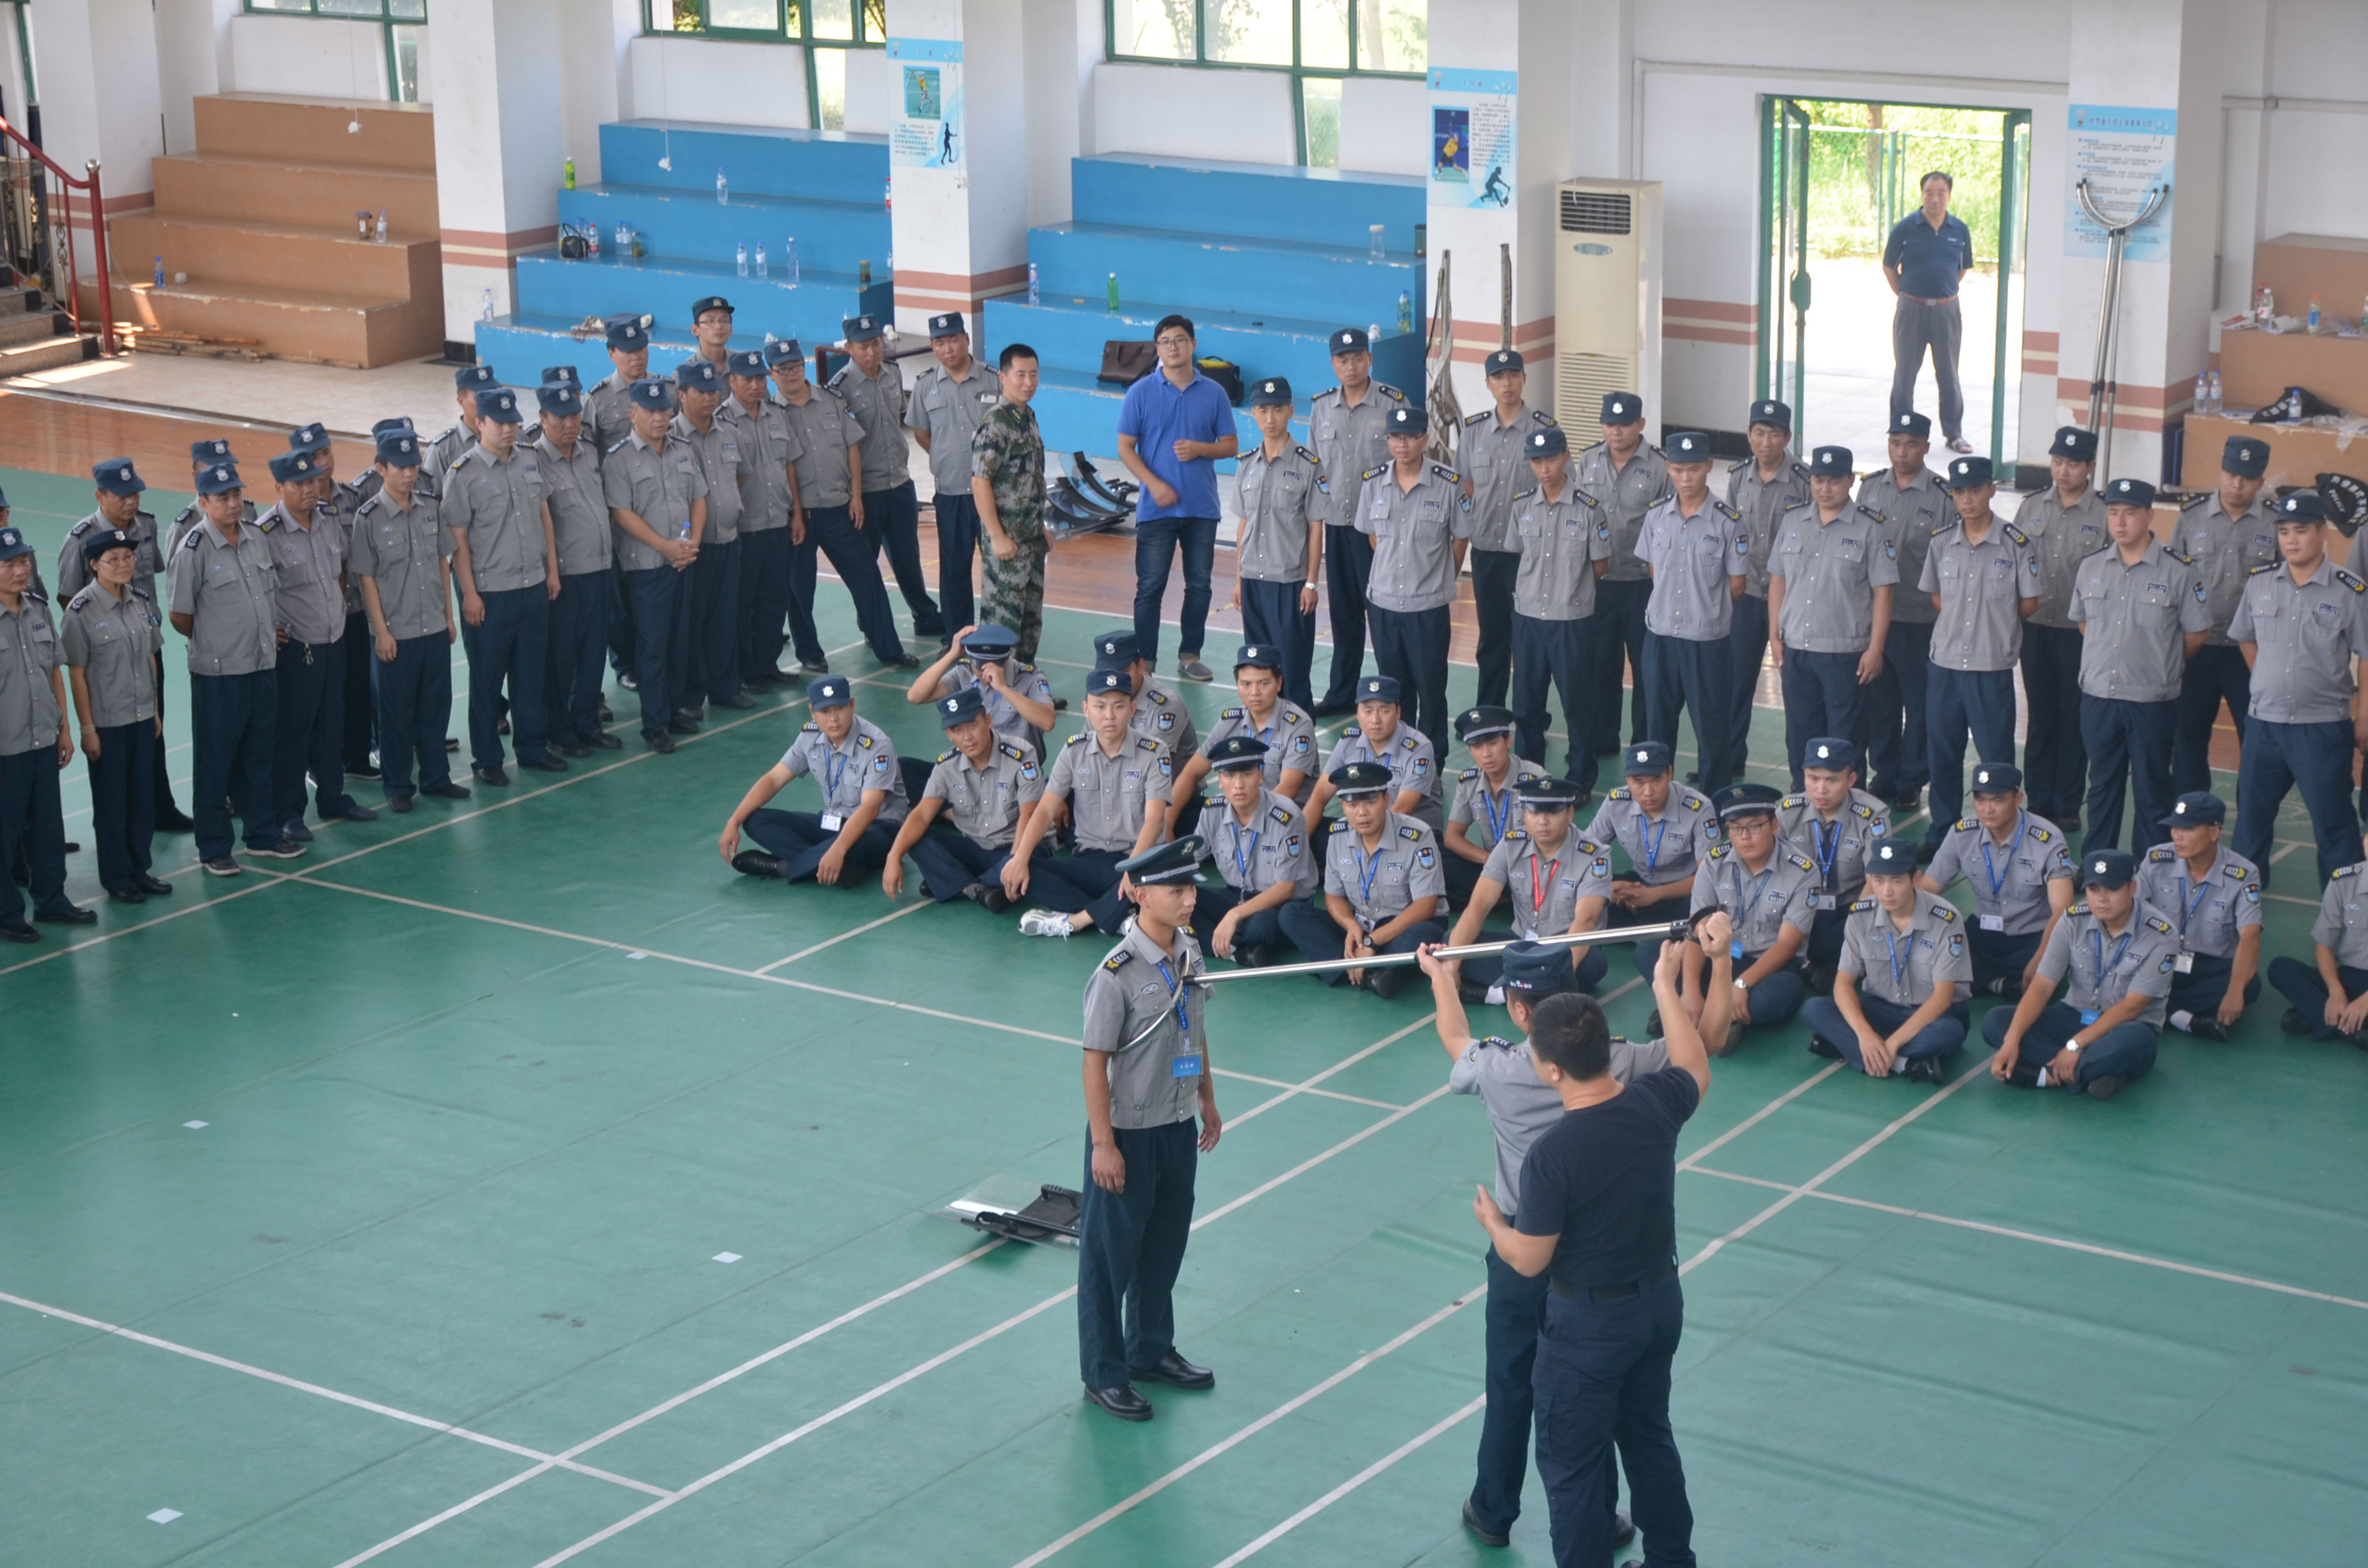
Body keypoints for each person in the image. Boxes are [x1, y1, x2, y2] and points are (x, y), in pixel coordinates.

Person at [1472, 929, 1718, 1568]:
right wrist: (1664, 984)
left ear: (1553, 1069)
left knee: (1573, 1467)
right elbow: (1695, 1064)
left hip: (1589, 1326)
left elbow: (1530, 1259)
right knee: (1649, 1441)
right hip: (1658, 1305)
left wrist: (1495, 1224)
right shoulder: (1655, 1102)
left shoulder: (1554, 1155)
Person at [1422, 936, 1672, 1555]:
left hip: (1520, 1248)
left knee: (1511, 1381)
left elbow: (1455, 1038)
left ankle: (1493, 1508)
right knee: (1596, 1393)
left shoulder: (1500, 1068)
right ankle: (1604, 1516)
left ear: (1517, 1010)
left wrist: (1441, 978)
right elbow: (1692, 1051)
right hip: (1591, 1259)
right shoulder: (1616, 1059)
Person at [1074, 835, 1222, 1423]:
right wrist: (1104, 1144)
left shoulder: (1189, 952)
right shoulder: (1115, 974)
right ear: (1140, 895)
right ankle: (1104, 1373)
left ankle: (1150, 1349)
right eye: (1177, 891)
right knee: (1108, 1261)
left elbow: (1196, 1027)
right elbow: (1094, 1062)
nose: (1190, 900)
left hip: (1177, 1124)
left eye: (1191, 889)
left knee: (1163, 1247)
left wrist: (1208, 1098)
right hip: (1129, 1134)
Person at [2229, 489, 2368, 888]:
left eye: (2301, 531)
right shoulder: (2260, 583)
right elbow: (2245, 637)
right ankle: (2239, 907)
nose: (2291, 540)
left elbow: (2366, 654)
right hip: (2264, 727)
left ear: (2323, 533)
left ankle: (2349, 911)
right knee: (2250, 825)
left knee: (2335, 828)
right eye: (2285, 531)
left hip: (2321, 729)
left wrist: (2363, 717)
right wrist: (2266, 678)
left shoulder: (2349, 591)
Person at [171, 461, 302, 874]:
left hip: (261, 666)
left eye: (237, 495)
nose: (233, 503)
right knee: (215, 763)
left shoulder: (255, 537)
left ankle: (262, 835)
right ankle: (214, 848)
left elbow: (266, 595)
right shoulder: (193, 549)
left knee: (258, 757)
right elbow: (180, 615)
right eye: (223, 497)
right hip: (220, 674)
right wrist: (219, 639)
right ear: (203, 502)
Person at [2071, 477, 2209, 851]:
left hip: (2151, 700)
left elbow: (2197, 633)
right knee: (2102, 785)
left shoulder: (2179, 571)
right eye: (2113, 512)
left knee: (2153, 788)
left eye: (2130, 513)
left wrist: (2160, 661)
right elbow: (2085, 622)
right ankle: (2099, 862)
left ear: (2150, 515)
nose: (2120, 522)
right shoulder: (2091, 567)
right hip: (2099, 696)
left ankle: (2150, 866)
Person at [55, 458, 190, 833]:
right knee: (112, 744)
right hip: (106, 652)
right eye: (121, 495)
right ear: (100, 496)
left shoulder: (146, 525)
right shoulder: (80, 539)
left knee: (152, 731)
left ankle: (160, 808)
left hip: (145, 643)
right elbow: (68, 598)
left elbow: (150, 580)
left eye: (135, 493)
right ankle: (120, 825)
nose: (131, 501)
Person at [1983, 848, 2178, 1101]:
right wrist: (2012, 1040)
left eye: (2112, 889)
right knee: (1996, 1022)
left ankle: (2046, 1077)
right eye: (2093, 889)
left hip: (2124, 1027)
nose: (2101, 899)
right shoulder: (2072, 920)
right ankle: (2092, 1072)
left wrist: (2076, 1045)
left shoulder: (2161, 934)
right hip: (2075, 1016)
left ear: (2132, 888)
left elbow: (2132, 1007)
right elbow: (2043, 985)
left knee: (2133, 1043)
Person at [445, 387, 566, 787]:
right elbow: (458, 539)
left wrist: (551, 571)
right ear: (480, 424)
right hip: (491, 594)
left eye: (513, 421)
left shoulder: (529, 459)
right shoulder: (462, 474)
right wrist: (469, 594)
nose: (509, 429)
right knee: (486, 681)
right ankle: (487, 760)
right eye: (500, 423)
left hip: (532, 585)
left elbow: (544, 514)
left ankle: (531, 747)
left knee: (530, 675)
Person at [1919, 455, 2039, 855]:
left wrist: (1995, 628)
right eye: (1959, 492)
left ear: (1992, 490)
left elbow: (2028, 603)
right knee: (1943, 754)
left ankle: (2003, 836)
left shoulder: (2015, 544)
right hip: (1945, 666)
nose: (1967, 499)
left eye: (1975, 490)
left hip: (1990, 667)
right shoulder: (1941, 542)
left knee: (1996, 760)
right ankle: (1943, 834)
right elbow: (1938, 598)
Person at [774, 339, 917, 671]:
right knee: (800, 591)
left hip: (840, 508)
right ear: (773, 374)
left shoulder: (832, 399)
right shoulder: (772, 414)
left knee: (868, 579)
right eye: (783, 369)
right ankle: (810, 653)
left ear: (805, 367)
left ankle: (888, 647)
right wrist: (796, 513)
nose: (792, 373)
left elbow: (853, 446)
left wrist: (856, 496)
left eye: (796, 366)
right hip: (800, 517)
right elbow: (784, 465)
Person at [1004, 667, 1173, 938]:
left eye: (1119, 706)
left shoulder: (1155, 753)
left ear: (1132, 709)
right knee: (1024, 868)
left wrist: (1132, 869)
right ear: (1086, 709)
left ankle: (1076, 920)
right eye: (1100, 706)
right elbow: (1045, 809)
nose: (1109, 715)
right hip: (1088, 859)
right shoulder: (1074, 750)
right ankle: (1117, 917)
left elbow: (1155, 819)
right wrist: (1020, 857)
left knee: (1154, 884)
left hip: (1135, 859)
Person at [257, 450, 375, 838]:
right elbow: (258, 590)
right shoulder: (266, 533)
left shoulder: (328, 518)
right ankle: (288, 812)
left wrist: (333, 609)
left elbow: (339, 569)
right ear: (279, 487)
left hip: (332, 638)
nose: (309, 490)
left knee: (332, 723)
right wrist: (271, 626)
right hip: (297, 646)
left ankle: (333, 797)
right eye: (299, 484)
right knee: (294, 731)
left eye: (312, 482)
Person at [349, 429, 466, 813]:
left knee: (435, 708)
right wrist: (381, 632)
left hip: (433, 626)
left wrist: (448, 616)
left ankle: (436, 778)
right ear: (381, 469)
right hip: (396, 633)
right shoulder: (368, 518)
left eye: (413, 465)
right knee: (396, 714)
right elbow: (366, 578)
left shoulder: (430, 507)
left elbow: (442, 562)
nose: (409, 473)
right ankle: (398, 785)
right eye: (400, 467)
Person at [1117, 314, 1237, 683]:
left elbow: (1230, 445)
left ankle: (1190, 655)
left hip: (1202, 507)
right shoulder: (1140, 393)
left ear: (1193, 344)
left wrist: (1201, 449)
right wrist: (1154, 485)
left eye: (1180, 340)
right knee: (1150, 588)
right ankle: (1146, 664)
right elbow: (1125, 447)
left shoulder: (1214, 393)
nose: (1173, 347)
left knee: (1199, 586)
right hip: (1157, 509)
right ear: (1157, 348)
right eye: (1166, 341)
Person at [1766, 446, 1894, 787]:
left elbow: (1884, 593)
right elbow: (1778, 580)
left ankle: (1850, 807)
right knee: (1800, 735)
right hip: (1796, 649)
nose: (1825, 488)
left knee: (1846, 739)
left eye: (1834, 481)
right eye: (1818, 480)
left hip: (1845, 654)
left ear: (1851, 481)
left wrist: (1875, 649)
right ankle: (1802, 801)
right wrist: (1774, 637)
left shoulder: (1870, 529)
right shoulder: (1793, 521)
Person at [1799, 838, 1969, 1082]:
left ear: (1915, 879)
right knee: (1815, 1009)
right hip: (1883, 1009)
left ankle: (1848, 1047)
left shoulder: (1946, 920)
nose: (1887, 891)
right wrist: (1865, 1035)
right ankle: (1902, 1064)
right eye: (1878, 881)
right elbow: (1843, 984)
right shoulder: (1860, 916)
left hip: (1933, 1016)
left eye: (1896, 881)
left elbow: (1942, 998)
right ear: (1870, 879)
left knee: (1947, 1035)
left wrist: (1893, 1043)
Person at [1275, 758, 1449, 998]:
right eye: (1353, 804)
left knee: (1423, 935)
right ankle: (1372, 974)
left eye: (1371, 802)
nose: (1362, 813)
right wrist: (1350, 925)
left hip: (1403, 925)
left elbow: (1426, 906)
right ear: (1342, 806)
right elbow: (1333, 896)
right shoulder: (1338, 835)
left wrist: (1372, 942)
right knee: (1291, 914)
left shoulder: (1417, 835)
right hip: (1361, 926)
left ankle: (1341, 965)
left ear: (1386, 800)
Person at [61, 529, 169, 904]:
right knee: (113, 806)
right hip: (108, 724)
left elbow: (151, 656)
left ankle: (140, 870)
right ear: (95, 565)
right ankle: (118, 877)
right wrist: (87, 729)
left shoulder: (139, 601)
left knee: (142, 801)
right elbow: (77, 674)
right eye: (114, 559)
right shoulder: (80, 612)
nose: (124, 565)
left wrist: (154, 710)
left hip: (141, 717)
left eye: (128, 557)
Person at [1661, 782, 1814, 1047]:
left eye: (1754, 826)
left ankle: (1693, 1013)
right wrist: (1691, 990)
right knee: (1653, 954)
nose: (1744, 836)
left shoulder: (1803, 871)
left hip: (1766, 965)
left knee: (1783, 994)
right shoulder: (1714, 863)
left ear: (1774, 825)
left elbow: (1787, 946)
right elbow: (1697, 930)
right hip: (1718, 955)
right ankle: (1710, 1010)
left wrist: (1742, 984)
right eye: (1735, 828)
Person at [1634, 430, 1746, 793]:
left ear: (1709, 467)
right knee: (1658, 727)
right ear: (1669, 468)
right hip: (1661, 638)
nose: (1686, 478)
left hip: (1706, 642)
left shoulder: (1728, 522)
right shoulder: (1656, 517)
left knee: (1711, 729)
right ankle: (1657, 796)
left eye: (1694, 469)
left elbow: (1737, 584)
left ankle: (1715, 803)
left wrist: (1706, 612)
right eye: (1679, 470)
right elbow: (1655, 571)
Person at [719, 675, 909, 886]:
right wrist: (733, 822)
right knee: (755, 820)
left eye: (839, 708)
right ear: (812, 711)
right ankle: (830, 865)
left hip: (878, 829)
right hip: (834, 822)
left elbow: (870, 808)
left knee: (856, 843)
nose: (833, 719)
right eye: (825, 711)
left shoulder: (876, 745)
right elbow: (774, 780)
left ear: (852, 705)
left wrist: (838, 849)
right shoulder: (810, 737)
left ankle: (783, 867)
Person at [1359, 404, 1470, 757]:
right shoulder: (1373, 482)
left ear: (1425, 439)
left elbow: (1460, 539)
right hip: (1384, 604)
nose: (1402, 445)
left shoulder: (1448, 484)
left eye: (1410, 437)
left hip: (1428, 607)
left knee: (1431, 689)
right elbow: (1373, 537)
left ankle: (1432, 763)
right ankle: (1399, 759)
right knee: (1393, 691)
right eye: (1395, 437)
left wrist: (1440, 579)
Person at [604, 377, 707, 754]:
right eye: (651, 412)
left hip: (683, 561)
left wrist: (693, 543)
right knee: (652, 646)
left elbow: (698, 498)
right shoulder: (618, 460)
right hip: (646, 567)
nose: (660, 418)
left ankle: (675, 708)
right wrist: (665, 546)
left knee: (680, 640)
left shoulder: (683, 449)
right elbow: (621, 513)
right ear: (633, 414)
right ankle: (655, 724)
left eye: (664, 410)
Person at [0, 524, 93, 938]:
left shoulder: (37, 609)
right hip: (6, 747)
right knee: (4, 834)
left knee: (47, 827)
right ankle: (7, 914)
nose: (21, 570)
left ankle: (52, 901)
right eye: (9, 564)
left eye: (23, 561)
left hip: (42, 739)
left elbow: (54, 669)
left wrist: (65, 728)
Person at [2171, 436, 2276, 795]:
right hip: (2197, 647)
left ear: (2261, 481)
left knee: (2255, 735)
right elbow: (2173, 581)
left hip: (2250, 652)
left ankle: (2251, 813)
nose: (2237, 484)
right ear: (2221, 472)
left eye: (2247, 477)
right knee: (2188, 734)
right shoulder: (2191, 517)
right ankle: (2190, 811)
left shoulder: (2276, 523)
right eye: (2231, 474)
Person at [1508, 425, 1611, 794]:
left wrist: (1569, 592)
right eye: (1537, 461)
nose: (1544, 468)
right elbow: (1520, 553)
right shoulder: (1522, 506)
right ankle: (1528, 775)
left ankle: (1580, 780)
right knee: (1526, 704)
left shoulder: (1589, 509)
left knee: (1577, 704)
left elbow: (1600, 564)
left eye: (1551, 459)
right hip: (1529, 619)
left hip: (1571, 621)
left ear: (1566, 457)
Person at [1444, 775, 1615, 999]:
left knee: (1592, 964)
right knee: (1451, 942)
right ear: (1524, 814)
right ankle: (1531, 988)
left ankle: (1501, 993)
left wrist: (1562, 975)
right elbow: (1478, 907)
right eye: (1534, 813)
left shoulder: (1595, 855)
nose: (1543, 821)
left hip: (1565, 948)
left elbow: (1586, 921)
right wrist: (1451, 970)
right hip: (1521, 944)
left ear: (1570, 813)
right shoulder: (1511, 845)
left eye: (1553, 812)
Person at [1309, 327, 1407, 715]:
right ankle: (1341, 693)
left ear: (1370, 359)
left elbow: (1407, 464)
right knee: (1344, 614)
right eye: (1342, 359)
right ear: (1333, 364)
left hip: (1379, 530)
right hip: (1336, 524)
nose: (1350, 366)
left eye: (1357, 358)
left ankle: (1391, 692)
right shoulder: (1321, 407)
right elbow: (1315, 468)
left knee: (1383, 615)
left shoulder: (1393, 404)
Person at [831, 313, 944, 644]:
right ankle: (872, 625)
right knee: (866, 566)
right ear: (849, 348)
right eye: (863, 346)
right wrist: (852, 495)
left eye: (876, 343)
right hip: (866, 490)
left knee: (908, 558)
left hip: (899, 482)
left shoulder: (893, 373)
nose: (872, 352)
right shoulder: (839, 388)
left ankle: (925, 615)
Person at [880, 685, 1047, 910]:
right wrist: (893, 857)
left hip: (1016, 846)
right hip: (975, 847)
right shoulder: (946, 764)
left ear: (988, 721)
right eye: (957, 730)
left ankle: (953, 882)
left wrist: (1016, 860)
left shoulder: (1021, 754)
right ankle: (973, 889)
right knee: (917, 839)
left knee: (1033, 864)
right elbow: (921, 815)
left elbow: (1030, 813)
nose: (967, 737)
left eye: (973, 725)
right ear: (949, 735)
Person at [2013, 428, 2105, 827]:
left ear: (2090, 467)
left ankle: (2067, 804)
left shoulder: (2104, 514)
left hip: (2079, 632)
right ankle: (2038, 801)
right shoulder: (2032, 506)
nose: (2063, 471)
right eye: (2057, 462)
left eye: (2073, 464)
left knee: (2073, 718)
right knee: (2040, 717)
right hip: (2035, 628)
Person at [1859, 411, 1946, 812]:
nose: (1902, 452)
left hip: (1920, 619)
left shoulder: (1943, 497)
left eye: (1911, 444)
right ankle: (1885, 773)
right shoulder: (1870, 488)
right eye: (1895, 443)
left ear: (1926, 448)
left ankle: (1912, 779)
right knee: (1880, 704)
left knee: (1920, 705)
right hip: (1877, 619)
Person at [1576, 392, 1671, 758]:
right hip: (1599, 582)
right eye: (1610, 424)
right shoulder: (1588, 460)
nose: (1616, 431)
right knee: (1602, 664)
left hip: (1643, 584)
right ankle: (1603, 739)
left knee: (1647, 669)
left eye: (1625, 424)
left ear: (1640, 424)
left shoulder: (1660, 467)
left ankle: (1644, 745)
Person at [1461, 350, 1557, 708]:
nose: (1507, 383)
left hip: (1529, 555)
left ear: (1524, 379)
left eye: (1513, 375)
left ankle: (1531, 718)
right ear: (1488, 383)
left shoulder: (1545, 430)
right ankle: (1489, 714)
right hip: (1487, 550)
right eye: (1499, 377)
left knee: (1530, 641)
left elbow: (1557, 486)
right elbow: (1467, 483)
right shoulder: (1473, 431)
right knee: (1492, 639)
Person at [529, 382, 617, 756]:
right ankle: (560, 731)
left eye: (574, 416)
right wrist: (551, 571)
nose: (569, 424)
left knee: (593, 654)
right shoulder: (532, 460)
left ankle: (587, 723)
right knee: (562, 659)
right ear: (542, 419)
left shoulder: (589, 451)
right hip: (565, 577)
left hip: (600, 568)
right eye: (560, 417)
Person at [1724, 400, 1812, 772]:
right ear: (1748, 435)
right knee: (1735, 684)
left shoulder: (1806, 481)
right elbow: (1729, 533)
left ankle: (1803, 770)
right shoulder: (1737, 477)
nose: (1766, 442)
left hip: (1791, 600)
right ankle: (1729, 760)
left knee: (1796, 690)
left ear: (1787, 438)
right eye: (1759, 433)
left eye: (1774, 434)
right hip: (1745, 596)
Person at [905, 311, 1003, 640]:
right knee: (954, 572)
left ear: (967, 340)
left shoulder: (995, 380)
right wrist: (945, 456)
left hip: (993, 493)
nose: (948, 349)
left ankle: (997, 639)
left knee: (998, 570)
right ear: (933, 346)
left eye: (954, 340)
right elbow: (922, 433)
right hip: (950, 494)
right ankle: (956, 641)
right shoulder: (925, 385)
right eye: (940, 342)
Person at [1230, 377, 1326, 710]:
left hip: (1289, 582)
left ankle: (1300, 738)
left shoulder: (1308, 465)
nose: (1270, 418)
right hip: (1253, 581)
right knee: (1259, 671)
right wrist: (1239, 579)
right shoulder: (1247, 464)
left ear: (1290, 411)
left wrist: (1311, 583)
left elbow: (1316, 526)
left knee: (1292, 671)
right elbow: (1244, 523)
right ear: (1253, 414)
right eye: (1263, 410)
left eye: (1277, 410)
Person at [2135, 792, 2262, 1042]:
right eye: (2175, 828)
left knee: (2249, 985)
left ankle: (2144, 1007)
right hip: (2161, 958)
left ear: (2215, 832)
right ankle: (2181, 1017)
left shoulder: (2244, 873)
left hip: (2208, 966)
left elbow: (2250, 936)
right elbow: (2131, 913)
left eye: (2188, 829)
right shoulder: (2156, 860)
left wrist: (2234, 993)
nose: (2177, 836)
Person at [670, 358, 755, 721]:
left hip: (728, 540)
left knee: (725, 619)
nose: (709, 398)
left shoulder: (728, 431)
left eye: (713, 392)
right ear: (682, 395)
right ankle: (690, 695)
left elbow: (740, 475)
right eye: (700, 392)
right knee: (691, 624)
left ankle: (725, 689)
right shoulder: (671, 438)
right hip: (693, 549)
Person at [720, 347, 805, 688]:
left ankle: (768, 665)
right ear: (733, 381)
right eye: (748, 380)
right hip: (744, 527)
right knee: (744, 604)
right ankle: (745, 671)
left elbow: (789, 465)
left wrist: (796, 513)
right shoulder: (722, 421)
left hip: (777, 522)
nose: (756, 386)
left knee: (774, 599)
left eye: (760, 378)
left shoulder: (777, 415)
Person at [1187, 735, 1310, 965]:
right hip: (1235, 896)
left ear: (1260, 775)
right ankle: (1239, 953)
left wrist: (1234, 915)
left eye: (1246, 774)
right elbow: (1190, 859)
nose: (1238, 785)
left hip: (1277, 905)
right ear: (1219, 780)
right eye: (1229, 776)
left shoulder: (1286, 817)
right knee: (1182, 904)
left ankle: (1212, 940)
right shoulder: (1212, 811)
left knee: (1261, 927)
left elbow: (1285, 889)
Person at [1774, 737, 1890, 978]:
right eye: (1813, 778)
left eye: (1832, 780)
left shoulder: (1872, 816)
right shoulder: (1788, 812)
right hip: (1799, 905)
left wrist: (1854, 925)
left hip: (1849, 907)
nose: (1821, 789)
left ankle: (1814, 961)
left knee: (1880, 918)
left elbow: (1876, 879)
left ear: (1851, 780)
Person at [1882, 170, 1975, 454]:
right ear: (1922, 195)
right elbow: (1889, 266)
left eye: (1941, 193)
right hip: (1912, 309)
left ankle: (1954, 434)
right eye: (1929, 193)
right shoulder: (1905, 229)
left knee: (1949, 374)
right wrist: (1907, 295)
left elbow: (1962, 268)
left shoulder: (1959, 230)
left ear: (1949, 196)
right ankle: (1902, 432)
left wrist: (1943, 293)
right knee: (1905, 373)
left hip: (1947, 311)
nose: (1935, 199)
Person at [1171, 645, 1316, 825]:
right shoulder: (1230, 722)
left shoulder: (1298, 725)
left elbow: (1289, 787)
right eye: (1246, 684)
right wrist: (1167, 823)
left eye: (1263, 683)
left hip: (1283, 820)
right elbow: (1191, 772)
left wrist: (1246, 825)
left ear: (1279, 684)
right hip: (1238, 813)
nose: (1255, 692)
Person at [1587, 741, 1724, 929]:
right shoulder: (1616, 802)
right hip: (1637, 884)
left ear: (1670, 773)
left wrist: (1655, 895)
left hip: (1682, 890)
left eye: (1656, 781)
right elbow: (1584, 856)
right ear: (1628, 780)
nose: (1648, 792)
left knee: (1704, 910)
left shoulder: (1698, 809)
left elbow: (1708, 875)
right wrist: (1609, 888)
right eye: (1639, 783)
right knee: (1581, 898)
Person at [973, 343, 1052, 664]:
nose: (1028, 382)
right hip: (1007, 544)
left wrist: (1041, 528)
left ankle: (1025, 683)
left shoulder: (1027, 417)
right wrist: (996, 536)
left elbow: (1030, 481)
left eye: (1034, 374)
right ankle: (996, 688)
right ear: (1003, 377)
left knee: (1030, 622)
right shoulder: (996, 424)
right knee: (1001, 625)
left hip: (1031, 541)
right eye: (1021, 375)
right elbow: (980, 482)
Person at [1303, 674, 1440, 837]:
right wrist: (1298, 842)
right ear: (1358, 713)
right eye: (1367, 711)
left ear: (1398, 712)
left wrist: (1361, 845)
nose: (1375, 719)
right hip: (1363, 828)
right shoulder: (1349, 742)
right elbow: (1319, 797)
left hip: (1411, 835)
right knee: (1313, 832)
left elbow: (1403, 809)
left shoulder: (1418, 748)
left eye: (1384, 711)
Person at [1441, 704, 1550, 909]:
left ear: (1508, 741)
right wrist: (1489, 859)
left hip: (1528, 865)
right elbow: (1452, 837)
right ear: (1470, 750)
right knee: (1436, 852)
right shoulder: (1469, 781)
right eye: (1477, 747)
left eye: (1492, 744)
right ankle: (1504, 896)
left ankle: (1493, 896)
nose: (1486, 754)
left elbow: (1551, 840)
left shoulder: (1535, 780)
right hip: (1491, 865)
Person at [2269, 828, 2368, 1047]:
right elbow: (2324, 945)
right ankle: (2351, 1029)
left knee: (2296, 1016)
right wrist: (2335, 991)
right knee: (2281, 969)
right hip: (2351, 977)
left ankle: (2319, 1018)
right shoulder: (2345, 881)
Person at [908, 621, 1057, 759]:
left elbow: (1047, 722)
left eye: (994, 664)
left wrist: (1003, 688)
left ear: (1006, 658)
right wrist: (951, 655)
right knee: (907, 765)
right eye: (979, 665)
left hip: (1016, 766)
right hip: (974, 764)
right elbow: (916, 696)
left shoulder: (1030, 677)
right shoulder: (965, 672)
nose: (986, 672)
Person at [1089, 628, 1199, 765]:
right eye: (1108, 675)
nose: (1115, 682)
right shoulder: (1098, 698)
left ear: (1141, 666)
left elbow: (1150, 765)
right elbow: (1087, 751)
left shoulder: (1166, 707)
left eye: (1123, 673)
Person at [425, 363, 495, 493]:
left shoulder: (513, 436)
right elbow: (431, 497)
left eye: (492, 394)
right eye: (480, 397)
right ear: (461, 401)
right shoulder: (442, 449)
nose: (488, 402)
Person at [687, 293, 734, 374]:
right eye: (710, 321)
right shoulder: (686, 374)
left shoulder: (743, 365)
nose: (719, 326)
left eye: (724, 320)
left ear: (731, 329)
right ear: (695, 330)